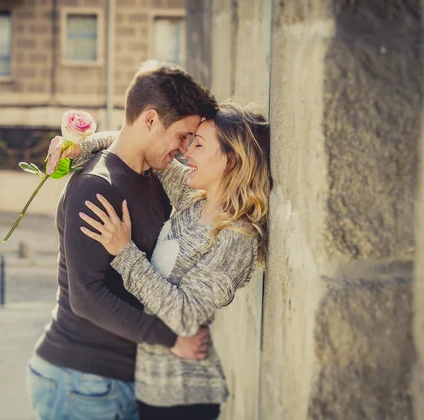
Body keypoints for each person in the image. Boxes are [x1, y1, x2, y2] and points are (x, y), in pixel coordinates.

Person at [48, 102, 271, 419]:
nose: (186, 152)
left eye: (198, 144)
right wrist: (80, 148)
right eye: (189, 140)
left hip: (182, 395)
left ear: (230, 159)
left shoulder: (237, 238)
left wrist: (124, 252)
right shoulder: (194, 200)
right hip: (147, 385)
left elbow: (184, 314)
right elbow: (138, 149)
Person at [26, 61, 218, 420]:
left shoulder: (153, 176)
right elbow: (86, 297)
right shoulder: (95, 187)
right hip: (81, 381)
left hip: (114, 382)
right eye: (181, 136)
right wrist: (171, 338)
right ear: (150, 120)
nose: (183, 148)